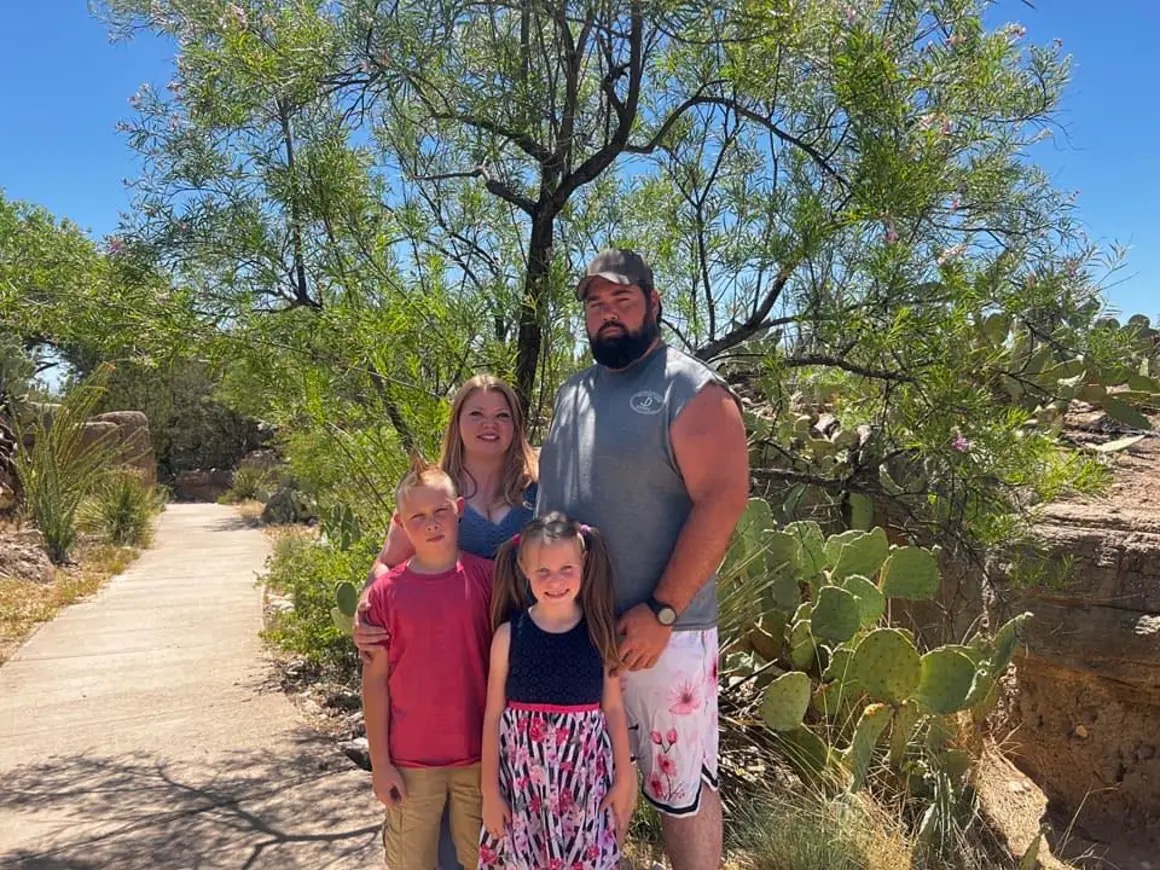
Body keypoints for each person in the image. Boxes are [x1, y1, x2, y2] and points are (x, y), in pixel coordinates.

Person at [536, 248, 750, 870]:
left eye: (622, 299)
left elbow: (723, 500)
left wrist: (662, 609)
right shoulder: (573, 393)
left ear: (653, 304)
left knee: (682, 793)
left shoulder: (692, 389)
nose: (608, 313)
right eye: (596, 304)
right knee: (587, 788)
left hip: (663, 636)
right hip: (576, 633)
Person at [354, 374, 537, 870]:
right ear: (457, 422)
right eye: (475, 413)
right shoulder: (433, 487)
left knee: (489, 835)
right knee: (424, 840)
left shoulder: (538, 489)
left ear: (516, 424)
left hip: (510, 674)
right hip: (431, 674)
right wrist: (366, 609)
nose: (489, 424)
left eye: (502, 414)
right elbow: (387, 564)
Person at [478, 513, 636, 869]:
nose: (556, 581)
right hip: (523, 792)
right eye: (543, 572)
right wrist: (489, 791)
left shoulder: (600, 633)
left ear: (584, 562)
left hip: (584, 789)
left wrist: (624, 779)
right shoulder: (508, 636)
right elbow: (493, 716)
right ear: (524, 569)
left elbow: (613, 709)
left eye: (567, 569)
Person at [360, 457, 493, 870]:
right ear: (400, 522)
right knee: (410, 861)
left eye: (440, 511)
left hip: (481, 759)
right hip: (409, 763)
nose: (431, 523)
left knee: (485, 860)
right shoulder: (385, 593)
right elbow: (375, 683)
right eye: (418, 516)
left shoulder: (488, 579)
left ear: (459, 509)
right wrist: (380, 765)